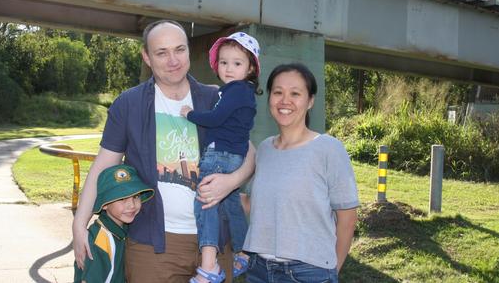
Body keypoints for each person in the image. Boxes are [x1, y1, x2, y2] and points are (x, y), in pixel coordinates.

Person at [72, 20, 255, 283]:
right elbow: (103, 166)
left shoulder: (214, 97)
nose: (173, 60)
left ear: (189, 52)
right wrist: (79, 223)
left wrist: (231, 182)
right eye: (162, 52)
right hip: (152, 246)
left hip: (215, 245)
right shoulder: (129, 104)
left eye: (179, 50)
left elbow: (249, 151)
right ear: (147, 57)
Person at [243, 63, 359, 283]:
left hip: (308, 273)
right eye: (278, 92)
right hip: (259, 270)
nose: (285, 100)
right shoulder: (265, 148)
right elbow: (252, 204)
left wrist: (332, 271)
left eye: (295, 93)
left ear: (310, 101)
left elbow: (348, 219)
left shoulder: (328, 148)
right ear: (269, 98)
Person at [180, 32, 261, 283]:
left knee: (205, 203)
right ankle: (244, 252)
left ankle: (209, 265)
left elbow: (215, 119)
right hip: (233, 156)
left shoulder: (236, 91)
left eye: (237, 63)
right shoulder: (238, 92)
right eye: (224, 62)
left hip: (220, 155)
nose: (228, 68)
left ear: (250, 69)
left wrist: (189, 114)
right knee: (230, 204)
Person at [74, 164, 154, 283]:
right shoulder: (100, 241)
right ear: (104, 204)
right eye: (122, 199)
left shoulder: (121, 227)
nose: (132, 205)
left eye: (136, 196)